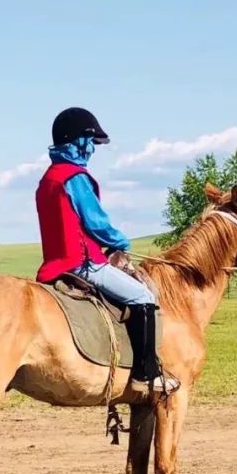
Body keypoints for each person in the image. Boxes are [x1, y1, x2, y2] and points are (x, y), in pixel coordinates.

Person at [34, 107, 179, 395]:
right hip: (82, 264)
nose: (92, 150)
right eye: (90, 143)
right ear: (76, 141)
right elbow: (95, 222)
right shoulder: (74, 177)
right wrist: (120, 243)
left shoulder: (48, 179)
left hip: (53, 265)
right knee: (143, 297)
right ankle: (146, 374)